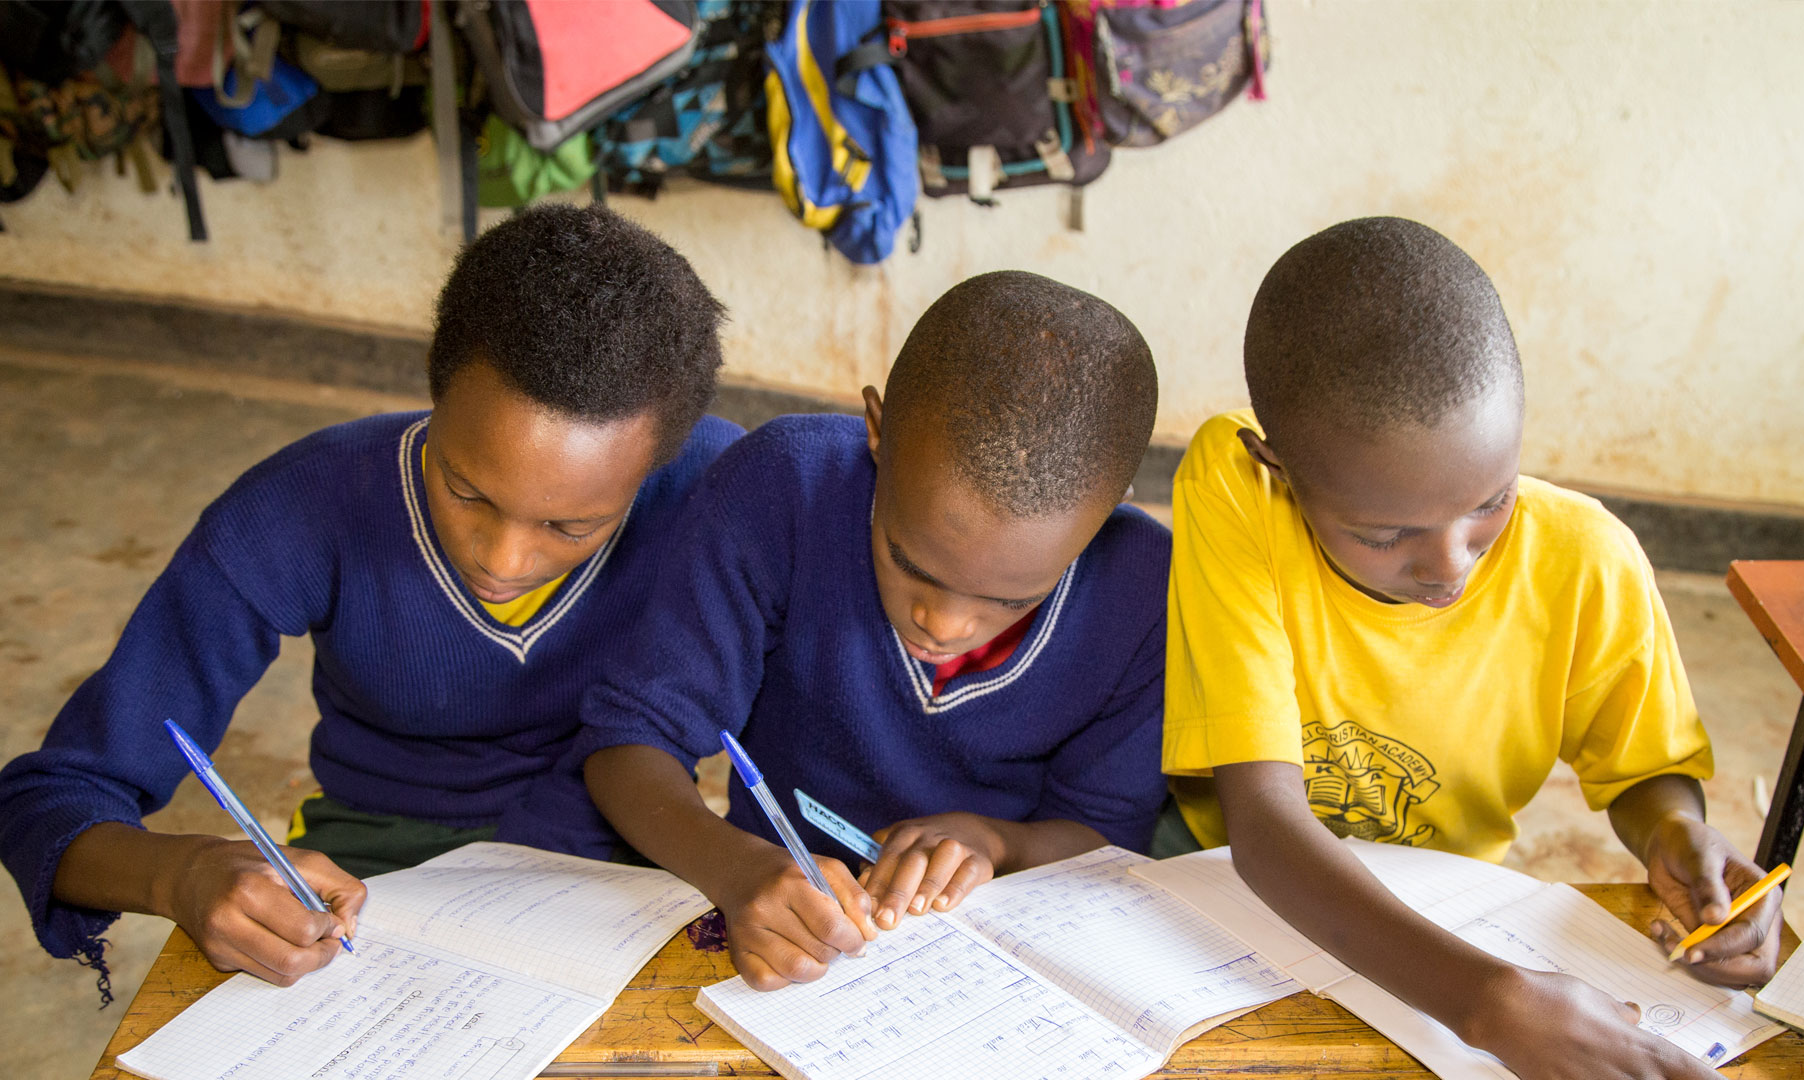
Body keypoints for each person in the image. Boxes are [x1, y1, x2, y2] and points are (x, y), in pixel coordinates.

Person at [0, 204, 740, 996]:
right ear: (435, 388)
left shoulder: (717, 491)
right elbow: (49, 799)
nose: (502, 558)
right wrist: (183, 872)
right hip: (374, 870)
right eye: (464, 489)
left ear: (657, 465)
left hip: (625, 852)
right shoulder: (298, 509)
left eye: (571, 525)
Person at [1163, 217, 1780, 1079]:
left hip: (1442, 899)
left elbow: (1641, 771)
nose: (1448, 568)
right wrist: (1490, 1006)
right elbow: (1263, 822)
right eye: (1384, 534)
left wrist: (1674, 829)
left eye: (1490, 501)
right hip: (1218, 870)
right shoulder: (1238, 486)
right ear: (1279, 466)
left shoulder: (1586, 558)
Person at [576, 271, 1170, 990]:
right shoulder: (782, 490)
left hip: (995, 968)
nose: (943, 623)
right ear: (878, 432)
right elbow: (627, 744)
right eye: (907, 561)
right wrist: (735, 868)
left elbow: (1105, 835)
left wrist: (998, 842)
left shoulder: (1139, 589)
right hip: (776, 925)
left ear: (1105, 513)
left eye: (1011, 601)